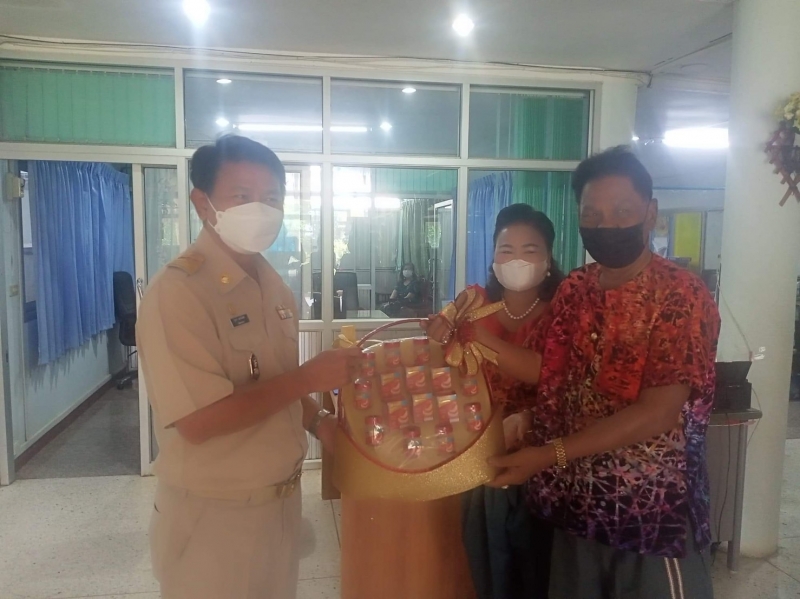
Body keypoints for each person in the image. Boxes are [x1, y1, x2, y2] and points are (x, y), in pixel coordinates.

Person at [137, 135, 363, 599]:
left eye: (272, 198)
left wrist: (321, 422)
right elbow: (198, 421)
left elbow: (276, 385)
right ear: (203, 203)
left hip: (280, 503)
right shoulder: (178, 292)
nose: (260, 209)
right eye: (242, 196)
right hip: (214, 517)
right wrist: (310, 377)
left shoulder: (272, 284)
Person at [490, 147, 721, 599]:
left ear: (651, 213)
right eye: (591, 214)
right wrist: (471, 339)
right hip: (575, 505)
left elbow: (658, 412)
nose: (606, 225)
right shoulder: (576, 288)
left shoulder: (680, 294)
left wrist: (549, 454)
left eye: (622, 212)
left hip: (650, 513)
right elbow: (550, 373)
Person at [443, 204, 563, 599]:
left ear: (548, 259)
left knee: (538, 568)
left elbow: (550, 374)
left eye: (530, 250)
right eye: (506, 250)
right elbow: (447, 364)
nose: (516, 260)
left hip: (544, 458)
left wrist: (479, 338)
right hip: (481, 453)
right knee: (487, 562)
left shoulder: (564, 311)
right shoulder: (473, 305)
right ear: (493, 257)